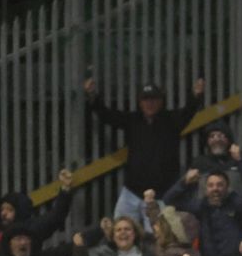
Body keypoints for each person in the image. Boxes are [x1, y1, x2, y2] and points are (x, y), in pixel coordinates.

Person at [85, 78, 206, 225]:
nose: (150, 103)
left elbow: (189, 111)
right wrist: (93, 95)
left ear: (161, 101)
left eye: (154, 99)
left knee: (159, 240)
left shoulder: (172, 120)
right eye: (146, 99)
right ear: (140, 102)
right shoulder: (132, 120)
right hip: (131, 192)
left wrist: (196, 95)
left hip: (162, 195)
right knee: (121, 231)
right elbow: (107, 115)